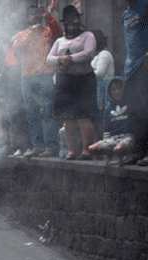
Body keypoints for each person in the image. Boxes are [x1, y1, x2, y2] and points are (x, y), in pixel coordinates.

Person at [11, 0, 63, 158]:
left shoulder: (48, 30)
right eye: (32, 14)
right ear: (28, 18)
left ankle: (51, 146)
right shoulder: (21, 34)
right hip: (27, 77)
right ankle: (37, 146)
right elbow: (16, 49)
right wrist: (31, 31)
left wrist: (47, 14)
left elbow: (58, 32)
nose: (34, 16)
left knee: (47, 111)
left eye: (37, 14)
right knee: (31, 113)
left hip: (45, 74)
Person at [47, 5, 97, 160]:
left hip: (83, 80)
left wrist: (70, 59)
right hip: (64, 82)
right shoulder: (59, 41)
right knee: (68, 118)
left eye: (74, 19)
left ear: (79, 20)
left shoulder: (88, 35)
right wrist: (61, 59)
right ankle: (71, 150)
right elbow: (49, 59)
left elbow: (89, 53)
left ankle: (87, 150)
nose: (71, 23)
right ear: (64, 22)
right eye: (68, 20)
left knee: (83, 116)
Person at [120, 0, 148, 165]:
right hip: (130, 68)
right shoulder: (124, 13)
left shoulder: (144, 6)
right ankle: (138, 151)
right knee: (135, 111)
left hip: (144, 65)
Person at [87, 77, 138, 163]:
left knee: (120, 147)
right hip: (113, 138)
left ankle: (121, 151)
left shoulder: (132, 105)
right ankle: (109, 151)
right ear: (109, 92)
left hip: (129, 137)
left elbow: (138, 126)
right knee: (93, 148)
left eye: (119, 88)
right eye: (113, 89)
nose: (116, 92)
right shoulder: (108, 109)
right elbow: (107, 129)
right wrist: (105, 141)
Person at [91, 30, 115, 141]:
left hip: (104, 90)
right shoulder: (97, 55)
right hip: (97, 90)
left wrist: (85, 74)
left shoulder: (104, 54)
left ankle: (106, 144)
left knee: (103, 119)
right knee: (97, 119)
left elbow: (100, 72)